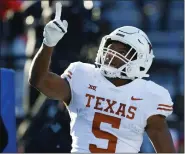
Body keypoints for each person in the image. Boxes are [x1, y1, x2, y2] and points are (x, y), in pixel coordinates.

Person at [29, 2, 176, 153]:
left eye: (122, 51)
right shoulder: (83, 75)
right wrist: (48, 44)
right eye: (110, 48)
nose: (112, 53)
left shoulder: (148, 95)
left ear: (140, 60)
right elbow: (39, 81)